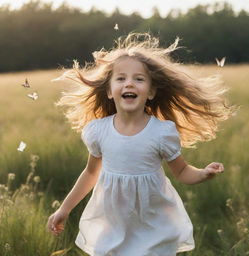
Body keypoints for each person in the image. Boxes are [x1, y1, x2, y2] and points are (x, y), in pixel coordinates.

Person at [47, 33, 236, 256]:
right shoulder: (98, 131)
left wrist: (204, 173)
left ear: (151, 91)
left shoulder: (160, 133)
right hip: (113, 224)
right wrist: (65, 208)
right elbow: (90, 173)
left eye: (139, 79)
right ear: (109, 91)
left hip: (152, 223)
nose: (129, 83)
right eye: (121, 79)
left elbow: (182, 171)